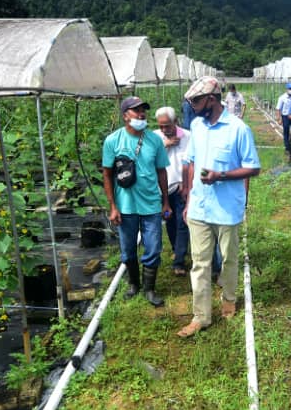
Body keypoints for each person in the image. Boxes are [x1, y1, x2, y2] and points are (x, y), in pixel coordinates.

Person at [179, 77, 261, 338]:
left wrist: (221, 176)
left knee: (228, 258)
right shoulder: (196, 126)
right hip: (199, 208)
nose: (192, 106)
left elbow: (253, 167)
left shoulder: (238, 129)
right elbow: (191, 162)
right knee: (200, 263)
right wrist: (189, 199)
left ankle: (228, 298)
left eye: (196, 101)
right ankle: (201, 316)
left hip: (226, 209)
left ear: (211, 100)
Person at [101, 96, 171, 306]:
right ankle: (134, 284)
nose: (141, 114)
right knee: (128, 247)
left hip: (151, 203)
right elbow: (107, 174)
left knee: (153, 247)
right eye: (135, 110)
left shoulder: (154, 140)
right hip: (126, 205)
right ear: (125, 116)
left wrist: (165, 201)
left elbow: (162, 172)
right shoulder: (113, 141)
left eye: (143, 110)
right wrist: (113, 206)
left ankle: (149, 289)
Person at [155, 107, 191, 276]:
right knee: (170, 222)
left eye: (167, 126)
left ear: (175, 122)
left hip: (182, 186)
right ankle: (178, 249)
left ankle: (179, 261)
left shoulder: (187, 136)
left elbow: (191, 162)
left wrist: (187, 185)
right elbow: (149, 159)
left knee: (182, 222)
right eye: (161, 126)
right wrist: (165, 145)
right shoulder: (155, 138)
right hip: (164, 189)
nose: (164, 130)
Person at [276, 83, 291, 154]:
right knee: (286, 131)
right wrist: (279, 118)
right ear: (286, 89)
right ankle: (287, 147)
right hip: (285, 116)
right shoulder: (282, 98)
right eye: (290, 89)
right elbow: (278, 109)